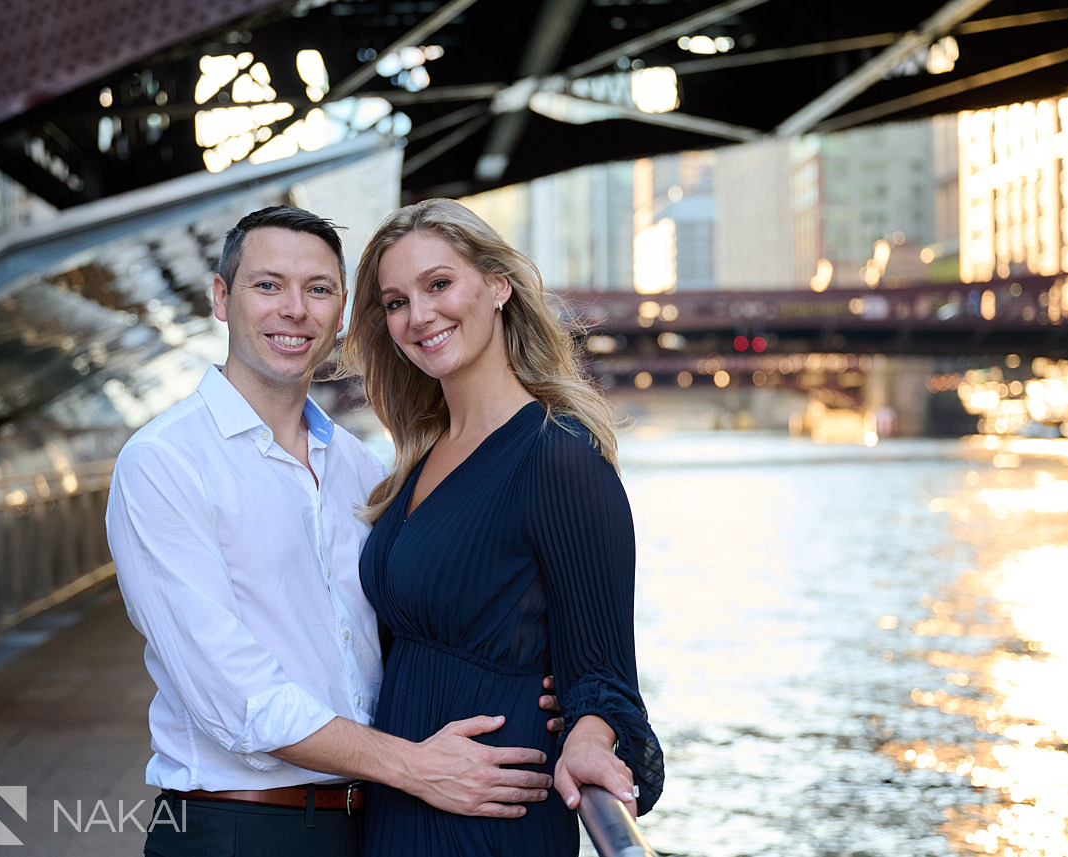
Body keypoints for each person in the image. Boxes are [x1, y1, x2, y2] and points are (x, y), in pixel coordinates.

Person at [106, 205, 560, 857]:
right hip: (239, 829)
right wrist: (412, 764)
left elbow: (410, 629)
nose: (295, 309)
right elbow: (233, 696)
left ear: (342, 310)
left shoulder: (359, 465)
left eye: (318, 289)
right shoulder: (163, 463)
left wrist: (547, 691)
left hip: (370, 820)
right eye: (267, 285)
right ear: (219, 298)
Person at [338, 198, 665, 857]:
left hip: (489, 814)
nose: (418, 314)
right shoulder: (418, 459)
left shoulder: (558, 455)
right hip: (404, 801)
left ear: (496, 285)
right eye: (396, 301)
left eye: (439, 284)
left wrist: (590, 734)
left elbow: (603, 675)